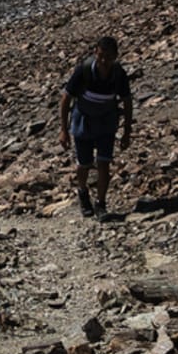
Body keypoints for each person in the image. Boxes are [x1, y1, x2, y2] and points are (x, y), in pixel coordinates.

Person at [59, 36, 133, 218]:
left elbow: (127, 102)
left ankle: (101, 204)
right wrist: (63, 130)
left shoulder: (118, 75)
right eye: (101, 56)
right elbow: (65, 99)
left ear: (115, 56)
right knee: (84, 163)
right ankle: (83, 193)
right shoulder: (83, 71)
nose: (104, 61)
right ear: (95, 53)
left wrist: (127, 131)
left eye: (109, 57)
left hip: (107, 122)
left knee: (103, 163)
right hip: (84, 121)